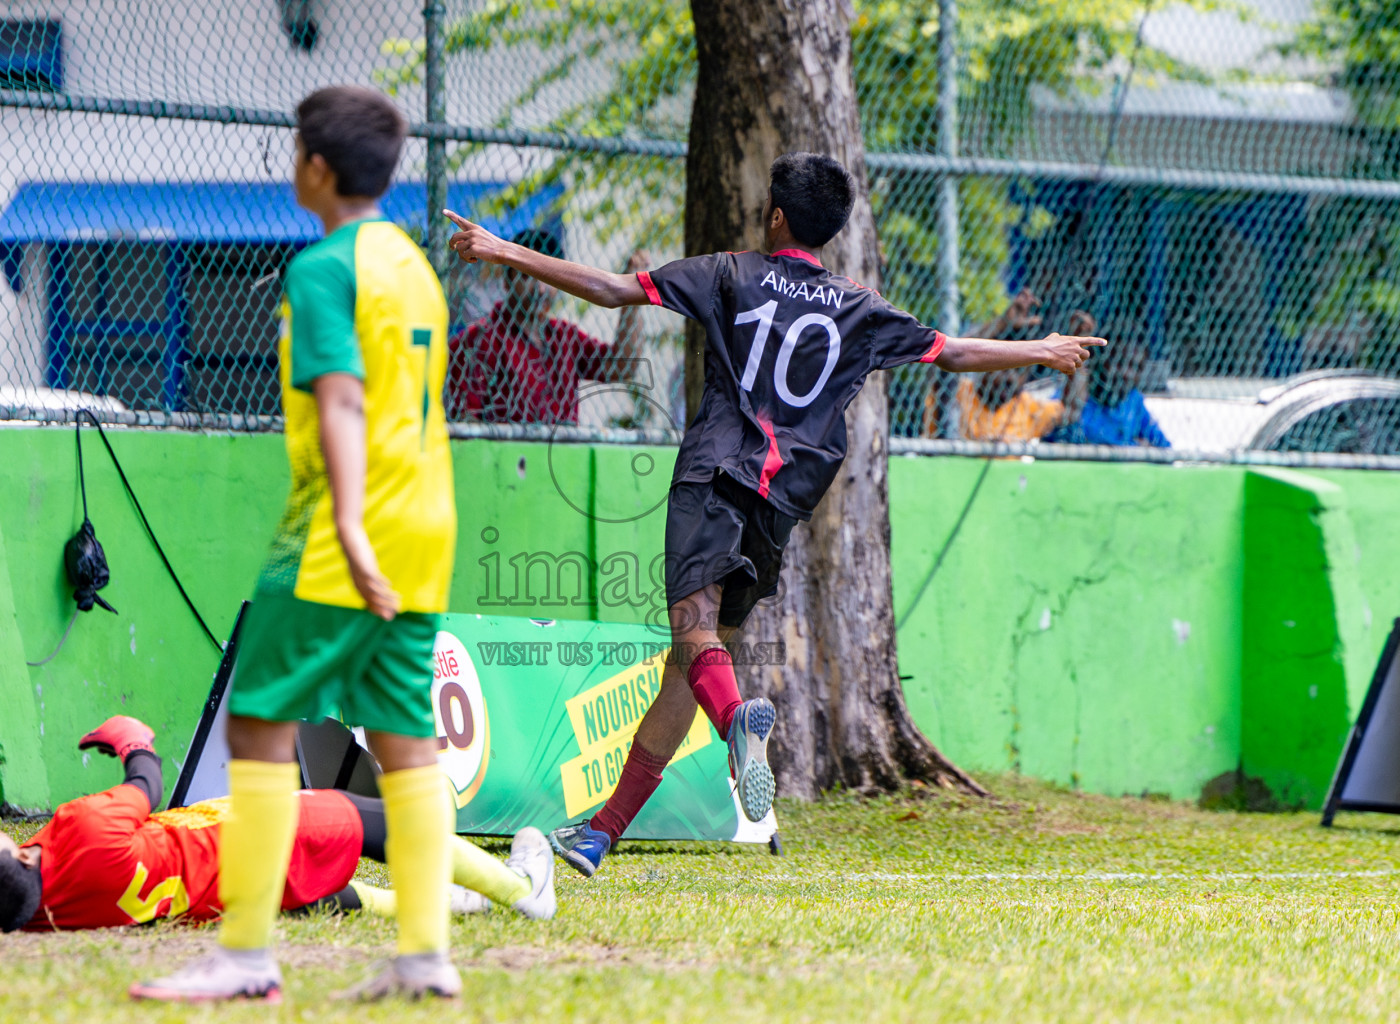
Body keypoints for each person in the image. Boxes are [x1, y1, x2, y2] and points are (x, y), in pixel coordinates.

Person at [444, 152, 1105, 878]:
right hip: (781, 499)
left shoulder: (728, 271)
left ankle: (738, 725)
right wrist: (1040, 348)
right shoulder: (859, 305)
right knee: (691, 661)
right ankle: (600, 834)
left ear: (778, 215)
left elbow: (608, 289)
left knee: (695, 642)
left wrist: (500, 247)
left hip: (715, 472)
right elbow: (951, 353)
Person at [133, 85, 460, 1003]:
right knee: (405, 739)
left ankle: (244, 957)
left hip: (333, 528)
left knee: (258, 725)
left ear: (316, 167)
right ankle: (425, 957)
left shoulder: (323, 268)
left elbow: (345, 397)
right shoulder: (411, 261)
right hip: (425, 523)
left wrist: (348, 523)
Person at [0, 716, 554, 933]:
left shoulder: (40, 917)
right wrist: (132, 739)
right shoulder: (81, 832)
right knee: (401, 825)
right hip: (258, 832)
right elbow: (146, 788)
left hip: (231, 895)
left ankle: (461, 904)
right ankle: (523, 891)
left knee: (325, 901)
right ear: (18, 861)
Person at [445, 231, 650, 424]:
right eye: (527, 277)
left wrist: (633, 291)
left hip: (561, 457)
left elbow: (622, 367)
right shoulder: (478, 341)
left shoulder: (565, 337)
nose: (540, 289)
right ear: (507, 281)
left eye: (548, 279)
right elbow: (466, 423)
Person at [926, 308, 1092, 442]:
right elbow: (946, 360)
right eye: (1005, 368)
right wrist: (1002, 323)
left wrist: (1078, 355)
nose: (1010, 378)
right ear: (984, 364)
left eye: (1019, 370)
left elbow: (1071, 410)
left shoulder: (1026, 407)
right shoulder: (958, 393)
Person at [1048, 336, 1170, 447]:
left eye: (1136, 368)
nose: (1127, 374)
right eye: (1120, 364)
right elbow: (1073, 437)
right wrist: (1135, 446)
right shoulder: (1072, 395)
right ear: (1104, 361)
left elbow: (1163, 445)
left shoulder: (1133, 399)